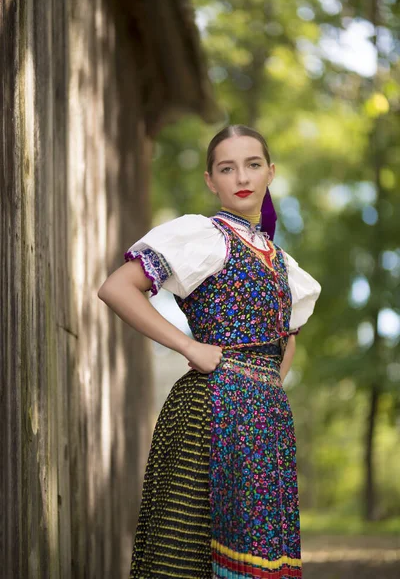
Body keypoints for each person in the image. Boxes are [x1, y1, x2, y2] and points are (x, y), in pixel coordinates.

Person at [98, 124, 321, 579]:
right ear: (210, 180)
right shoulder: (203, 237)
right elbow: (117, 288)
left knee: (260, 554)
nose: (242, 176)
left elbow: (288, 334)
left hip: (265, 423)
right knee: (189, 552)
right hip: (208, 412)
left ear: (270, 173)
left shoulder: (284, 265)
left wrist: (269, 388)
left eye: (253, 164)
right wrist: (188, 345)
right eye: (227, 167)